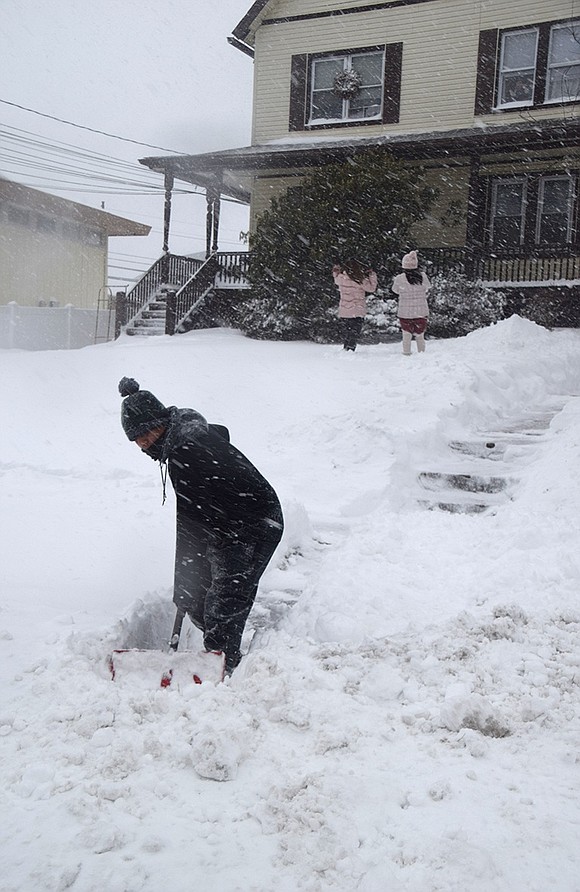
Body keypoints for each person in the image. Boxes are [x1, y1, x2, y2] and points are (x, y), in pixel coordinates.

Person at [118, 377, 284, 676]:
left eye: (145, 434)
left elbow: (190, 524)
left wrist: (186, 575)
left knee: (226, 599)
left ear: (160, 423)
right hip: (222, 523)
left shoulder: (187, 452)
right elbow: (193, 517)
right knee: (197, 597)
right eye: (136, 439)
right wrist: (187, 582)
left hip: (253, 522)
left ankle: (225, 668)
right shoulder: (182, 441)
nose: (142, 444)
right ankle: (217, 655)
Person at [332, 259, 378, 351]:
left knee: (348, 331)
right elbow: (371, 288)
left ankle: (346, 348)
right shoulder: (360, 280)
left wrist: (335, 272)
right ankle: (351, 349)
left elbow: (336, 280)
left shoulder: (341, 278)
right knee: (354, 331)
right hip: (357, 310)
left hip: (345, 310)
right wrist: (372, 275)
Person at [391, 250, 430, 355]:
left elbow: (395, 290)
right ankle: (421, 353)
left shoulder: (399, 278)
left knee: (406, 334)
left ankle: (406, 353)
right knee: (420, 334)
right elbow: (427, 288)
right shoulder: (422, 276)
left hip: (405, 311)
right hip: (420, 311)